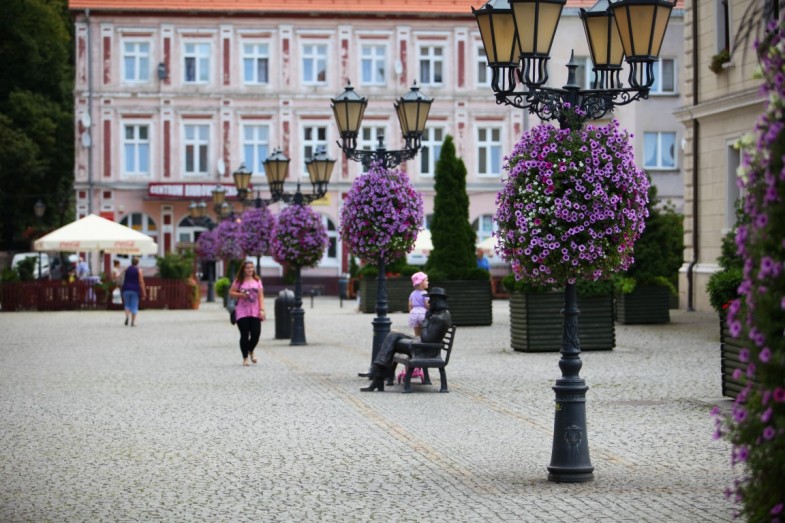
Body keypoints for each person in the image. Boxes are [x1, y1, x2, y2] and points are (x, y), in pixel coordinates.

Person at [362, 287, 452, 392]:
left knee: (392, 341)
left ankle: (378, 377)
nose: (429, 301)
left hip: (423, 349)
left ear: (437, 300)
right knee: (392, 335)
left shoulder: (439, 318)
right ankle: (378, 378)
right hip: (422, 344)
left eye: (431, 299)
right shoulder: (443, 314)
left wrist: (426, 320)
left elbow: (426, 338)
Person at [229, 261, 266, 367]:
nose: (250, 270)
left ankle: (251, 350)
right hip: (242, 311)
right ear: (243, 270)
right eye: (247, 268)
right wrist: (241, 294)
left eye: (251, 267)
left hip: (255, 311)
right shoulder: (239, 281)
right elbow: (231, 293)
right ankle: (245, 358)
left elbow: (260, 296)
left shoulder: (257, 280)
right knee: (244, 335)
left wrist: (262, 310)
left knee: (256, 334)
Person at [121, 257, 146, 326]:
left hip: (126, 289)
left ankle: (127, 317)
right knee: (134, 305)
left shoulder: (127, 269)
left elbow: (120, 276)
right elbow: (141, 281)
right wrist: (143, 291)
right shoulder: (139, 270)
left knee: (127, 304)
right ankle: (133, 322)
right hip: (135, 289)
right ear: (138, 263)